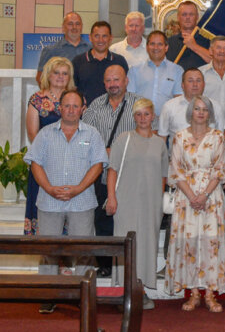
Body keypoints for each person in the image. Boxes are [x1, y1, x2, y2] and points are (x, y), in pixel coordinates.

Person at [25, 90, 108, 313]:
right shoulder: (44, 134)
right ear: (59, 108)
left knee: (83, 251)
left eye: (75, 106)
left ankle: (83, 295)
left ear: (83, 109)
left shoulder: (92, 134)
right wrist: (49, 189)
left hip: (82, 201)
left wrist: (79, 189)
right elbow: (35, 163)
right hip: (49, 201)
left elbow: (98, 165)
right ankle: (48, 295)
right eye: (67, 106)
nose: (71, 110)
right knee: (49, 250)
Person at [167, 96, 225, 312]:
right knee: (189, 242)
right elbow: (175, 170)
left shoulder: (218, 137)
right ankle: (193, 293)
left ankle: (211, 293)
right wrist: (192, 196)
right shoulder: (180, 137)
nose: (200, 113)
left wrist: (204, 195)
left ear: (210, 113)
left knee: (211, 243)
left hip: (211, 196)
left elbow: (220, 169)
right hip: (186, 196)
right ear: (190, 112)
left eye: (204, 109)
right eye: (196, 109)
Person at [105, 99, 167, 310]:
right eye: (138, 114)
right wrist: (112, 197)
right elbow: (112, 170)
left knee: (147, 244)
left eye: (146, 114)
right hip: (126, 200)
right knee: (127, 243)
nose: (143, 118)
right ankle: (126, 291)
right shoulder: (124, 139)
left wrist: (158, 201)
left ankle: (141, 290)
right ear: (134, 117)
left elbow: (163, 176)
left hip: (151, 203)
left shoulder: (160, 143)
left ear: (153, 116)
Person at [82, 65, 142, 276]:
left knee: (128, 221)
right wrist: (101, 150)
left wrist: (118, 151)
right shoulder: (95, 106)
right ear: (104, 83)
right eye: (108, 80)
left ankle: (130, 266)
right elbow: (84, 137)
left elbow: (148, 136)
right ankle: (106, 265)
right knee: (102, 220)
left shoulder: (138, 104)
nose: (113, 84)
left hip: (130, 175)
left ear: (126, 81)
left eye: (117, 80)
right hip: (101, 173)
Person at [25, 56, 75, 235]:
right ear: (48, 75)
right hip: (45, 163)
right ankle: (48, 254)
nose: (61, 77)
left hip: (71, 164)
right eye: (57, 73)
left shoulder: (76, 98)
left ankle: (66, 256)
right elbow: (33, 135)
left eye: (65, 73)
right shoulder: (37, 100)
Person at [127, 30, 184, 121]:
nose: (156, 47)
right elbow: (130, 99)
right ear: (147, 47)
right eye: (152, 44)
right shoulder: (134, 71)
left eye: (160, 44)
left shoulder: (177, 71)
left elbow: (179, 100)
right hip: (141, 123)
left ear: (166, 47)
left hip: (167, 123)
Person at [158, 68, 225, 140]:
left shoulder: (215, 107)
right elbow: (162, 139)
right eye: (190, 81)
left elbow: (221, 139)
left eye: (198, 81)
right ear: (182, 85)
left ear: (204, 84)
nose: (195, 84)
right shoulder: (169, 107)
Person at [72, 21, 129, 104]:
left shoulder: (120, 61)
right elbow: (72, 90)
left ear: (110, 38)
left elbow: (125, 89)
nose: (100, 40)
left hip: (113, 114)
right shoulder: (78, 62)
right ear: (90, 37)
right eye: (96, 36)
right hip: (85, 114)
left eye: (104, 36)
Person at [36, 12, 89, 85]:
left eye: (77, 24)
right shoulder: (50, 51)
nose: (74, 27)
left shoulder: (91, 50)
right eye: (70, 24)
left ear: (82, 27)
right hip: (60, 96)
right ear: (63, 27)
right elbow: (41, 78)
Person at [165, 0, 212, 72]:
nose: (187, 17)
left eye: (191, 14)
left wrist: (194, 46)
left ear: (197, 17)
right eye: (184, 14)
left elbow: (216, 62)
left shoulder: (208, 40)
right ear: (178, 17)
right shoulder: (169, 42)